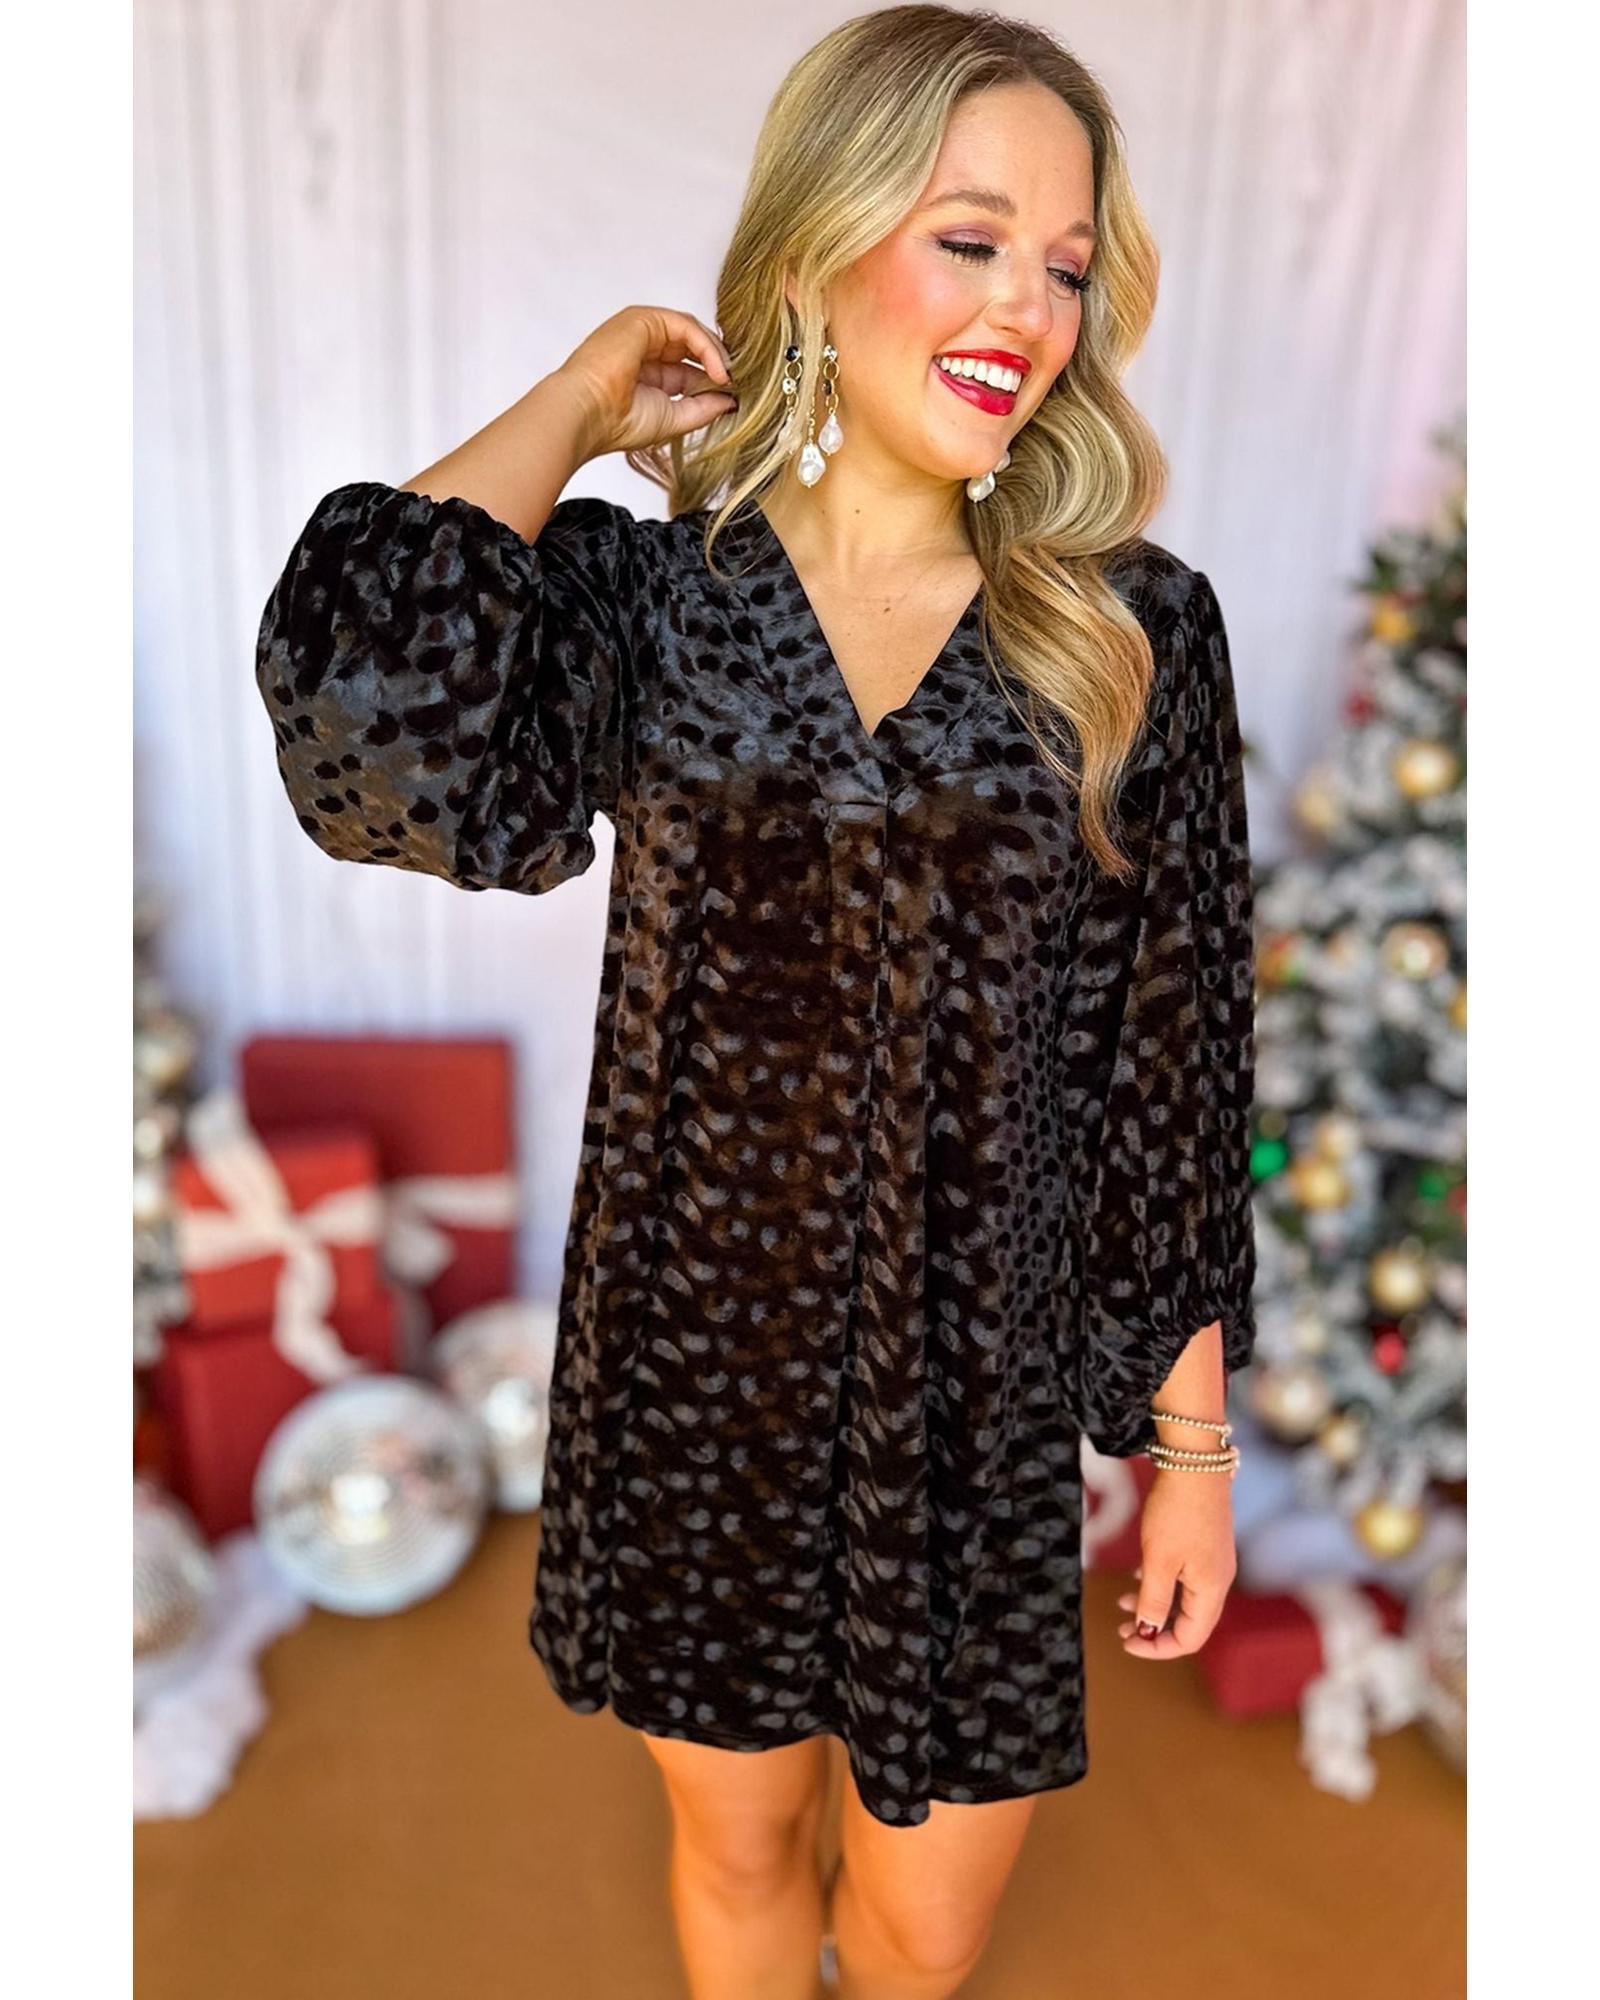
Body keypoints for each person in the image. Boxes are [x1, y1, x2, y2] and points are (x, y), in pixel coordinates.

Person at [253, 7, 1258, 1996]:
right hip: (690, 1372)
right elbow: (358, 712)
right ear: (815, 253)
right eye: (970, 239)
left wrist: (1191, 1456)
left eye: (1065, 265)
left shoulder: (1129, 632)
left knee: (921, 1931)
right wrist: (575, 398)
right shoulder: (655, 601)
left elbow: (1171, 1064)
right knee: (731, 1855)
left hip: (966, 1411)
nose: (1029, 307)